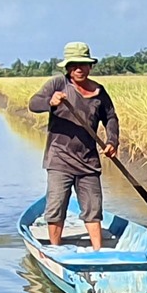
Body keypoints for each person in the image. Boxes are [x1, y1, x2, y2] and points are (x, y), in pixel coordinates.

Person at [29, 41, 119, 251]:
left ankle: (98, 251)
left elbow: (111, 118)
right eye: (74, 65)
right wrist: (51, 102)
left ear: (90, 66)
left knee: (93, 208)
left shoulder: (99, 92)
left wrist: (112, 141)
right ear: (67, 67)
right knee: (56, 206)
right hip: (59, 159)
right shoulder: (58, 85)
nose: (79, 69)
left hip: (88, 161)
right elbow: (33, 104)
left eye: (83, 64)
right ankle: (55, 250)